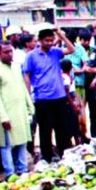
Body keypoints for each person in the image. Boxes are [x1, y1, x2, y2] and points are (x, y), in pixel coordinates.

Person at [23, 27, 75, 162]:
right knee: (45, 130)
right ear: (40, 40)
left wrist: (60, 35)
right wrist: (27, 95)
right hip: (42, 98)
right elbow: (27, 75)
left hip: (59, 96)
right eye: (46, 40)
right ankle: (47, 157)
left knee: (62, 128)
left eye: (51, 40)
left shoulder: (55, 52)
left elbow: (71, 49)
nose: (49, 43)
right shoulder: (31, 56)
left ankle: (64, 154)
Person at [0, 41, 34, 178]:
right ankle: (9, 173)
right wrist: (3, 117)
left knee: (22, 141)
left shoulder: (15, 67)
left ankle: (22, 170)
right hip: (7, 113)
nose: (9, 54)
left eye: (11, 51)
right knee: (7, 145)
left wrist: (29, 106)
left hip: (20, 111)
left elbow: (22, 87)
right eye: (6, 52)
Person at [66, 29, 92, 140]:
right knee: (69, 112)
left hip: (79, 83)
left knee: (80, 110)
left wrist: (81, 70)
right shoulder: (61, 48)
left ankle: (82, 135)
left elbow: (86, 63)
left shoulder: (79, 48)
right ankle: (72, 136)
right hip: (66, 85)